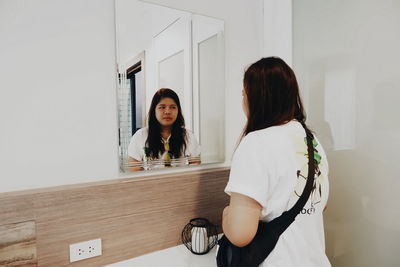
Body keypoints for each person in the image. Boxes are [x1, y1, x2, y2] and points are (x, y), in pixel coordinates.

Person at [221, 57, 331, 266]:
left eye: (244, 93)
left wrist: (227, 214)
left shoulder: (256, 142)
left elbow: (240, 234)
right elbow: (320, 204)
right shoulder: (310, 139)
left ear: (256, 97)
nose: (243, 100)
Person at [127, 88, 201, 171]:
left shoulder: (188, 135)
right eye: (162, 107)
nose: (167, 111)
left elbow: (195, 167)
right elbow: (133, 170)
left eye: (173, 107)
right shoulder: (140, 136)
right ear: (154, 110)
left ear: (178, 111)